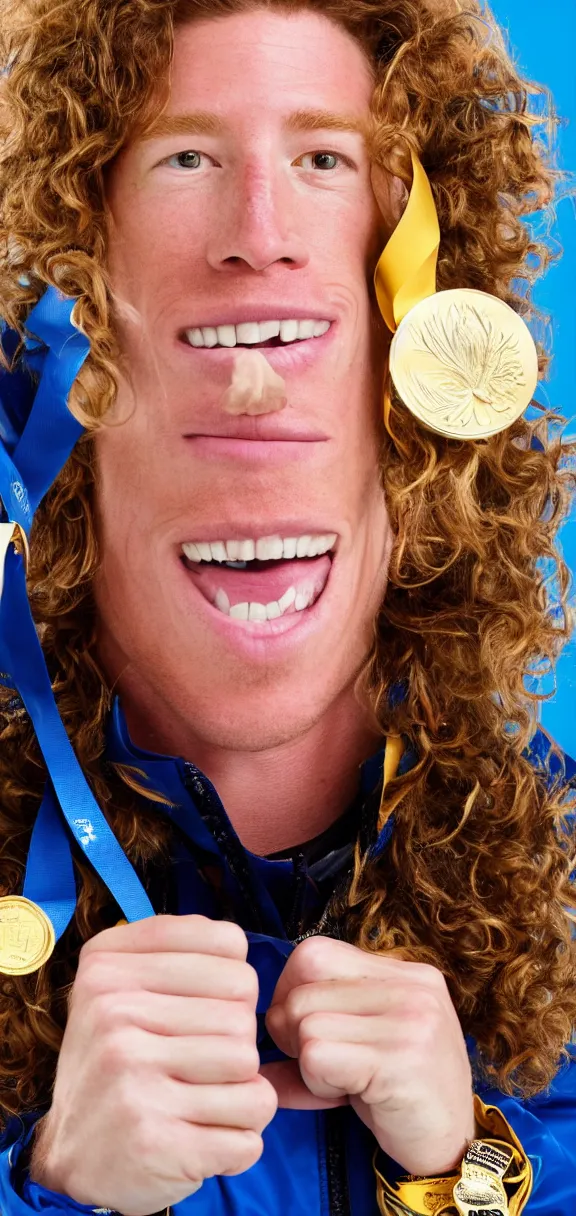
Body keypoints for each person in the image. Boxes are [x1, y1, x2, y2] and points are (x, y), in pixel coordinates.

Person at [0, 0, 574, 1213]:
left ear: (422, 478)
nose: (259, 230)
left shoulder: (563, 867)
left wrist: (470, 1168)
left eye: (324, 156)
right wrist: (47, 1186)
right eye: (186, 154)